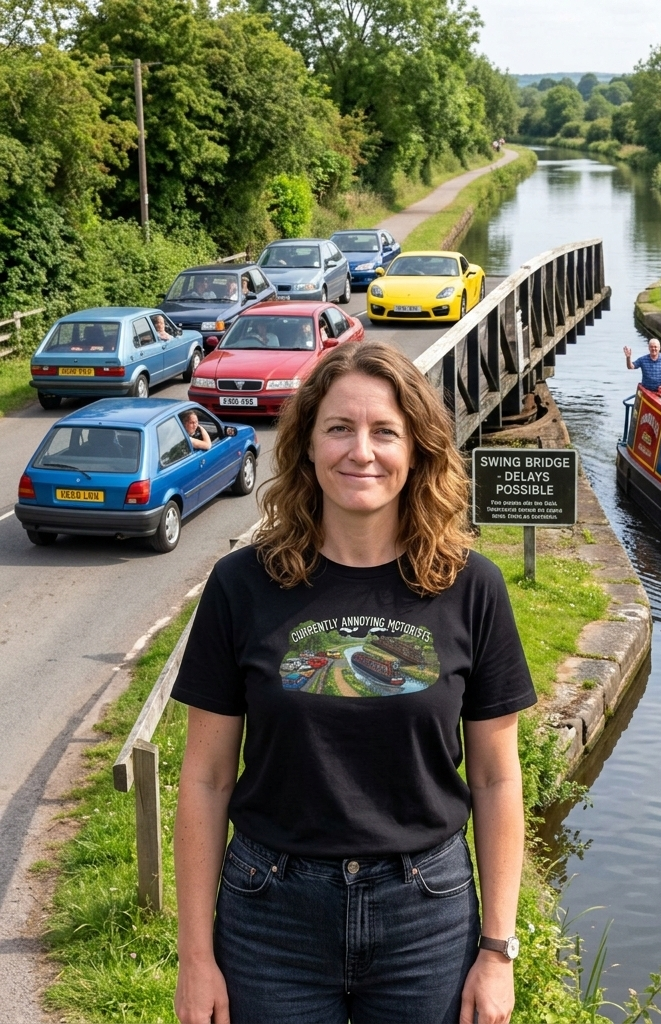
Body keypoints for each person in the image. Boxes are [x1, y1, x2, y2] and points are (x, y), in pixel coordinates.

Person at [172, 341, 535, 1024]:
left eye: (384, 432)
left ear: (417, 450)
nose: (360, 451)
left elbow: (495, 778)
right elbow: (206, 777)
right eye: (339, 428)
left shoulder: (471, 588)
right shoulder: (241, 585)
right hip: (269, 914)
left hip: (426, 917)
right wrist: (196, 958)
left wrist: (497, 952)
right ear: (307, 446)